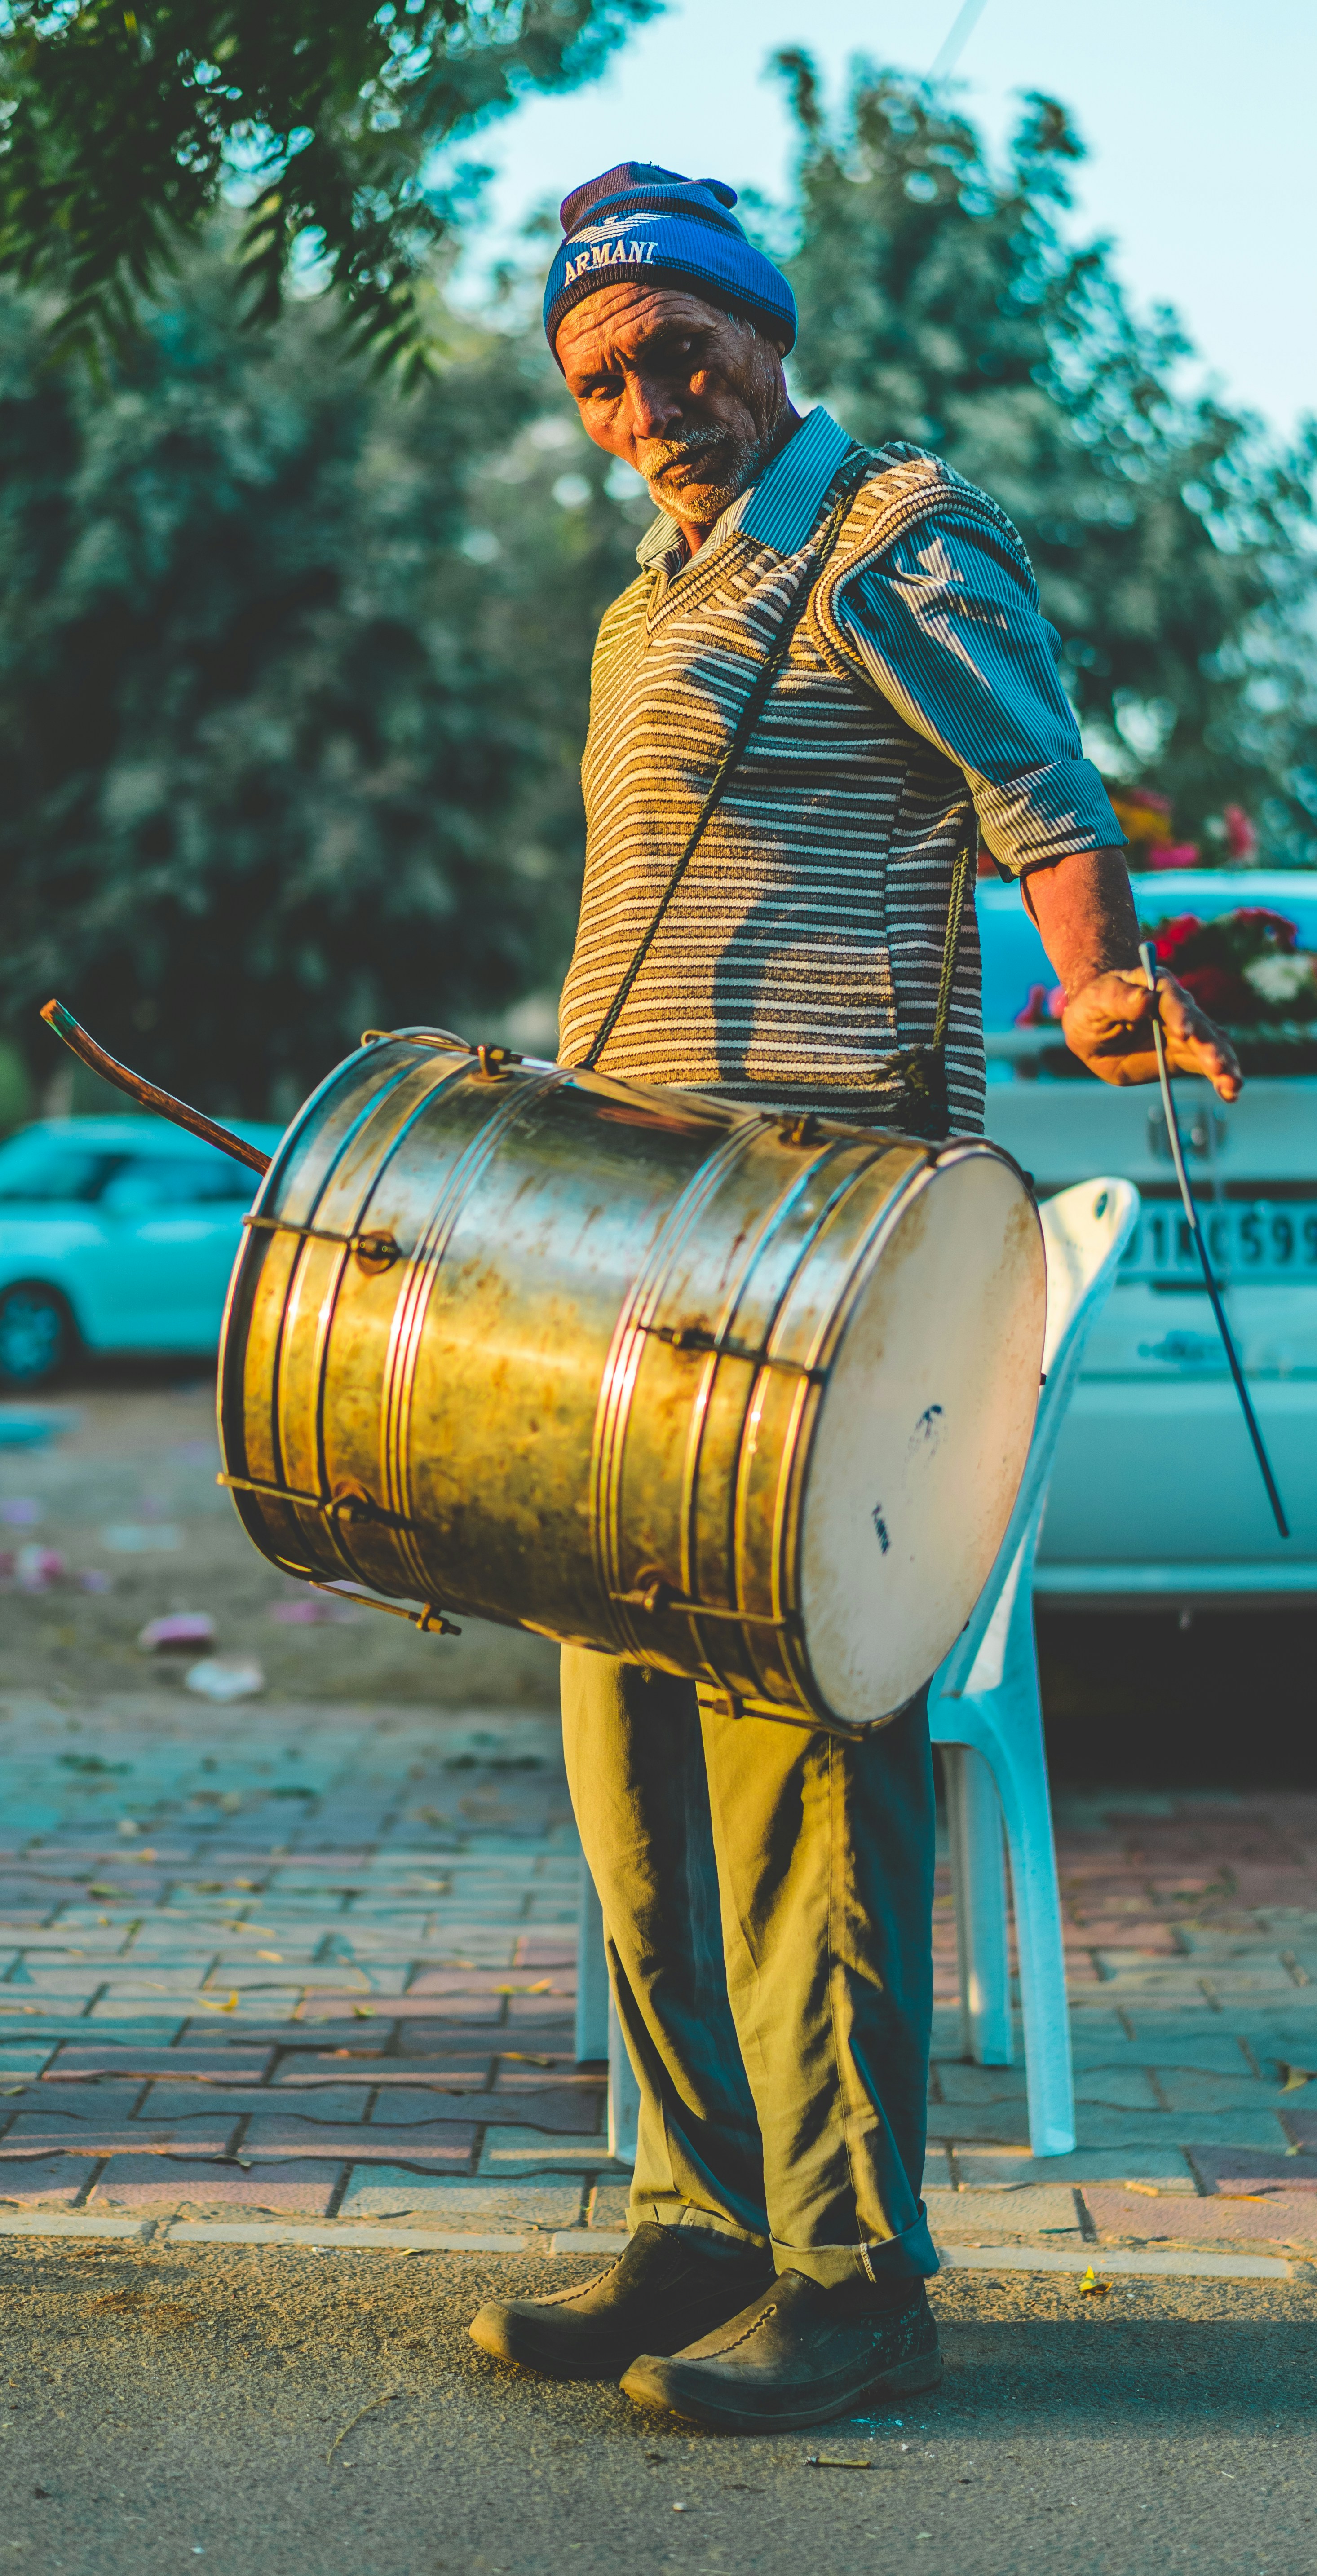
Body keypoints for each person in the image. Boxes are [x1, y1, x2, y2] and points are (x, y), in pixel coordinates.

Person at [469, 162, 1240, 2434]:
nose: (647, 397)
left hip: (820, 1240)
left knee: (806, 1765)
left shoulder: (884, 528)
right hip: (624, 1245)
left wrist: (1096, 979)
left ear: (760, 326)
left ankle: (854, 2268)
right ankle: (698, 2215)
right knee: (625, 1744)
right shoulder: (646, 602)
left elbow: (1038, 786)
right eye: (599, 376)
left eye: (675, 344)